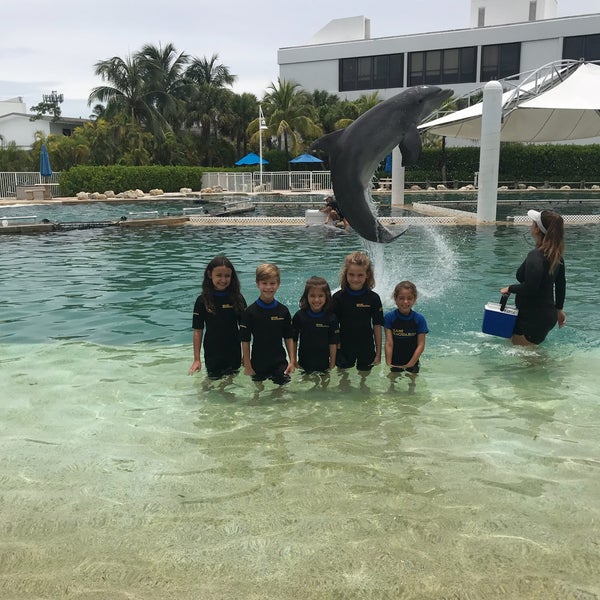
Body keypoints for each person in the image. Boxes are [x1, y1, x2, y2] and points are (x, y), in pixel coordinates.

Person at [500, 209, 566, 346]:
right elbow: (561, 285)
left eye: (533, 223)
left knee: (531, 362)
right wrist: (559, 310)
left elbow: (531, 287)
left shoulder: (535, 256)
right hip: (542, 315)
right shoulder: (556, 256)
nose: (531, 225)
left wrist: (510, 288)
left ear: (536, 229)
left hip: (533, 317)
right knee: (523, 355)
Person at [189, 255, 247, 379]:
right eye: (219, 275)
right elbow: (198, 331)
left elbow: (245, 329)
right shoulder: (202, 300)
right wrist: (196, 359)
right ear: (210, 275)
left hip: (234, 350)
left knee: (231, 381)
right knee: (212, 380)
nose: (223, 279)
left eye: (227, 276)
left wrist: (246, 356)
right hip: (212, 350)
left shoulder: (238, 299)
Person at [240, 263, 296, 385]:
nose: (268, 287)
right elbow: (245, 340)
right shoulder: (250, 312)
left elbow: (288, 337)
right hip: (258, 362)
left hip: (279, 362)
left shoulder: (283, 311)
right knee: (258, 394)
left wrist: (292, 361)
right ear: (258, 284)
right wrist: (248, 365)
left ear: (278, 284)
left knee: (282, 394)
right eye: (264, 283)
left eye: (272, 283)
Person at [331, 251, 383, 372]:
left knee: (364, 381)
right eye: (351, 274)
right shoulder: (338, 298)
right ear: (346, 274)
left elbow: (377, 326)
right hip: (343, 346)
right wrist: (335, 350)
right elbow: (333, 327)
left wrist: (379, 353)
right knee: (343, 380)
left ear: (367, 275)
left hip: (366, 346)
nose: (355, 279)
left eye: (360, 275)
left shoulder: (373, 298)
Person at [292, 276, 339, 373]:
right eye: (312, 296)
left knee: (324, 387)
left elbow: (333, 342)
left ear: (326, 297)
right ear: (306, 296)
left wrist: (332, 363)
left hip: (324, 364)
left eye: (320, 296)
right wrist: (293, 361)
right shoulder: (299, 316)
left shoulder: (331, 318)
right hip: (303, 364)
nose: (316, 300)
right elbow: (294, 339)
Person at [384, 281, 429, 373]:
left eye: (409, 298)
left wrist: (410, 364)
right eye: (401, 298)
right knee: (391, 385)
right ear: (395, 298)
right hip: (394, 361)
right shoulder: (389, 317)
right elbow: (389, 343)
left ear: (414, 299)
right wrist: (388, 364)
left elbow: (421, 345)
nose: (405, 302)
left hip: (413, 361)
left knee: (412, 385)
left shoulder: (419, 319)